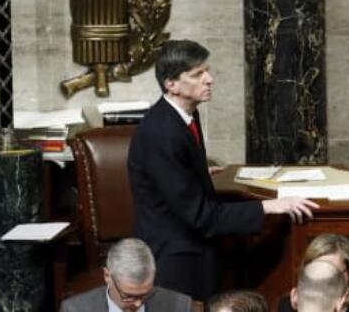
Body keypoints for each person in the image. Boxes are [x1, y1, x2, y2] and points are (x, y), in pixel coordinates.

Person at [128, 40, 319, 301]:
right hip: (176, 258)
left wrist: (197, 172)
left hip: (192, 245)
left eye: (207, 70)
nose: (209, 79)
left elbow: (176, 180)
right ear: (171, 84)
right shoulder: (162, 133)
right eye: (197, 74)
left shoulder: (183, 115)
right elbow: (201, 217)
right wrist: (270, 206)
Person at [60, 237, 191, 312]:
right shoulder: (75, 310)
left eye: (146, 294)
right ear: (107, 276)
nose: (138, 304)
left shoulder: (179, 306)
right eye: (128, 296)